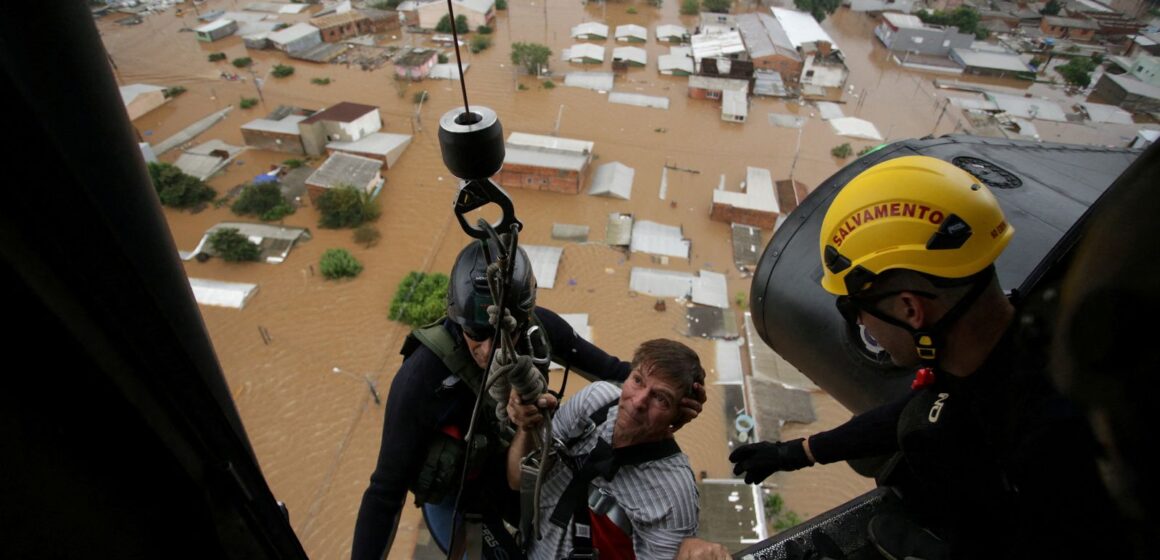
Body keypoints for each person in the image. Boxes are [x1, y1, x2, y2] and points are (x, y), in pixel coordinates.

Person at [728, 156, 1123, 559]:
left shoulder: (1051, 443)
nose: (861, 322)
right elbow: (920, 407)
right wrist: (796, 453)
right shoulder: (1014, 344)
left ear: (910, 309)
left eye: (855, 308)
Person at [352, 239, 705, 560]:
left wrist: (674, 398)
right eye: (476, 332)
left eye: (504, 332)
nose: (489, 349)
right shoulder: (421, 379)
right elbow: (385, 492)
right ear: (455, 317)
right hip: (462, 500)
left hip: (516, 487)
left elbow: (619, 375)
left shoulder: (540, 333)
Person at [507, 339, 706, 560]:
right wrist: (528, 426)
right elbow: (518, 479)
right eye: (638, 380)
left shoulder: (673, 494)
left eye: (661, 398)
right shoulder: (593, 403)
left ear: (679, 416)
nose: (639, 401)